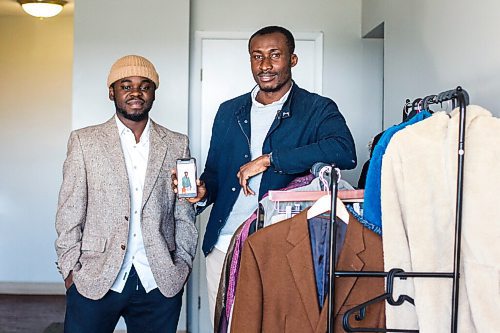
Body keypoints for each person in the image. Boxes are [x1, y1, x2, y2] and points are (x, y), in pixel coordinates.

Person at [175, 25, 357, 325]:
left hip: (284, 247)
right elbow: (216, 174)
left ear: (293, 59)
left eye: (275, 55)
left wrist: (271, 160)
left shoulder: (317, 108)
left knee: (283, 326)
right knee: (229, 326)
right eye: (257, 56)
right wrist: (202, 193)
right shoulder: (228, 111)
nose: (265, 65)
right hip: (224, 246)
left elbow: (344, 151)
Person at [55, 55, 198, 333]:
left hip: (159, 279)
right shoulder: (85, 141)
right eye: (125, 85)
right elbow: (69, 210)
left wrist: (182, 265)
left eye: (145, 86)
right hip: (94, 277)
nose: (136, 92)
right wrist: (71, 270)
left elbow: (184, 212)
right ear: (112, 92)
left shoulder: (177, 144)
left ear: (153, 93)